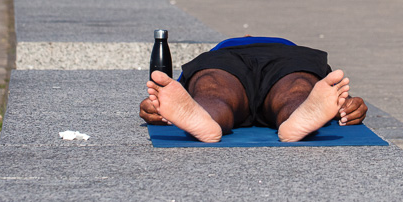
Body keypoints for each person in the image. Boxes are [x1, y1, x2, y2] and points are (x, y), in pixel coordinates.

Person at [140, 36, 368, 143]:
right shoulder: (287, 45)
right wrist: (346, 106)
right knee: (296, 91)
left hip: (225, 60)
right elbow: (338, 99)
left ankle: (204, 115)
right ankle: (300, 114)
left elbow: (178, 93)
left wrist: (159, 107)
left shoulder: (222, 47)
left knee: (213, 90)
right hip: (287, 58)